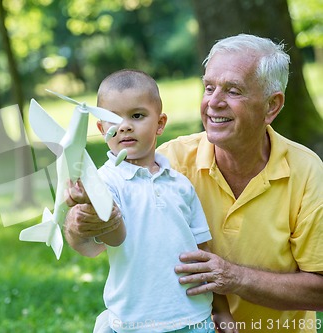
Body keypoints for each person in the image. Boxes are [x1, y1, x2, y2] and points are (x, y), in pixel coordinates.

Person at [66, 34, 323, 333]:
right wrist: (79, 224)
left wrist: (234, 278)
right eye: (209, 87)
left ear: (271, 106)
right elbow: (94, 237)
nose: (213, 103)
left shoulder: (307, 172)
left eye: (233, 91)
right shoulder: (165, 163)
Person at [64, 69, 237, 333]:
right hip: (137, 321)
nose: (124, 126)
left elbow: (204, 255)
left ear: (160, 123)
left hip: (193, 317)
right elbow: (115, 237)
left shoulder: (180, 184)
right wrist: (92, 203)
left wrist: (222, 312)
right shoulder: (104, 182)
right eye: (113, 119)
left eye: (137, 116)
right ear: (101, 129)